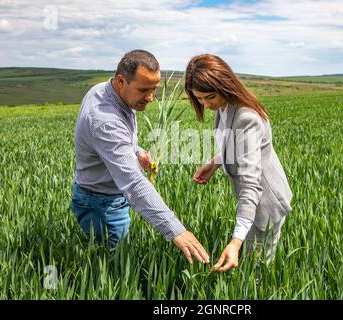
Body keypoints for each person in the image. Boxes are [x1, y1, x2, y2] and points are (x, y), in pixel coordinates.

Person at [71, 49, 209, 265]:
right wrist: (176, 230)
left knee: (113, 265)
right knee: (115, 271)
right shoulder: (105, 120)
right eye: (144, 90)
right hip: (102, 204)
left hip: (104, 196)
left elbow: (120, 140)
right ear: (120, 81)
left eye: (154, 89)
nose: (150, 98)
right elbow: (133, 183)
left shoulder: (108, 91)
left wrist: (136, 152)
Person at [184, 54, 293, 272]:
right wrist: (215, 162)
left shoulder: (246, 117)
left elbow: (251, 183)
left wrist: (235, 242)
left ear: (224, 85)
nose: (205, 104)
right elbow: (236, 146)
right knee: (252, 265)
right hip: (254, 200)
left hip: (265, 203)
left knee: (256, 271)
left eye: (209, 97)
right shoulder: (224, 108)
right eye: (199, 98)